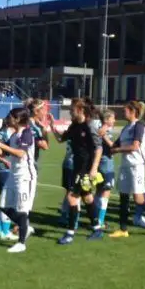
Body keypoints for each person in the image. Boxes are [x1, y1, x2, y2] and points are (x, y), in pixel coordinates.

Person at [51, 98, 104, 244]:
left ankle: (70, 233)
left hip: (86, 168)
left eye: (72, 110)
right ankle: (97, 228)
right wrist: (51, 125)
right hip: (77, 166)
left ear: (80, 110)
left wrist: (93, 169)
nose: (70, 112)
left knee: (72, 198)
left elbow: (99, 148)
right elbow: (61, 139)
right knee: (87, 196)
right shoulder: (74, 125)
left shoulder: (89, 126)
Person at [109, 101, 145, 238]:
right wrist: (103, 135)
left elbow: (135, 146)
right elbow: (113, 146)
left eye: (125, 110)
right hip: (125, 166)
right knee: (123, 197)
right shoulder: (125, 128)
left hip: (138, 166)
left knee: (139, 199)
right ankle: (123, 229)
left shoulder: (139, 126)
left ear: (133, 112)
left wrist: (117, 150)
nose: (123, 112)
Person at [0, 107, 37, 253]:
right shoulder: (14, 135)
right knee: (4, 207)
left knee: (22, 210)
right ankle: (25, 227)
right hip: (13, 175)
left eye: (11, 116)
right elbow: (4, 153)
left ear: (17, 119)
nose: (8, 118)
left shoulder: (27, 133)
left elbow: (20, 153)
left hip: (25, 177)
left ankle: (21, 243)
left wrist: (0, 144)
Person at [0, 111, 17, 240]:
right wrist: (4, 160)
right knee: (8, 200)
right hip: (3, 170)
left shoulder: (16, 131)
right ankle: (5, 231)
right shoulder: (4, 132)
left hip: (9, 171)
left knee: (5, 200)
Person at [95, 110, 117, 228]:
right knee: (106, 191)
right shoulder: (104, 130)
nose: (114, 121)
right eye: (113, 118)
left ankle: (95, 218)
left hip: (101, 161)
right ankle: (100, 221)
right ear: (107, 120)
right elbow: (111, 145)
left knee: (99, 190)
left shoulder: (101, 128)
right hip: (106, 162)